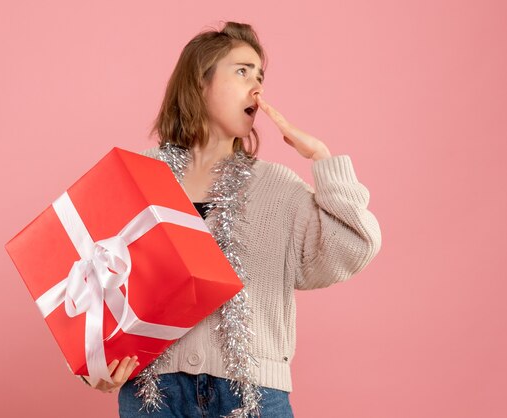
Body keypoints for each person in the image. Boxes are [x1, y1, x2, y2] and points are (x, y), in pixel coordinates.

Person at [81, 21, 382, 417]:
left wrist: (322, 159)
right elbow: (91, 284)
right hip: (152, 396)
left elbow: (354, 245)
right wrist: (97, 367)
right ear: (199, 82)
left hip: (252, 397)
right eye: (242, 72)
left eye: (260, 76)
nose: (257, 87)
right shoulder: (138, 176)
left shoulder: (276, 187)